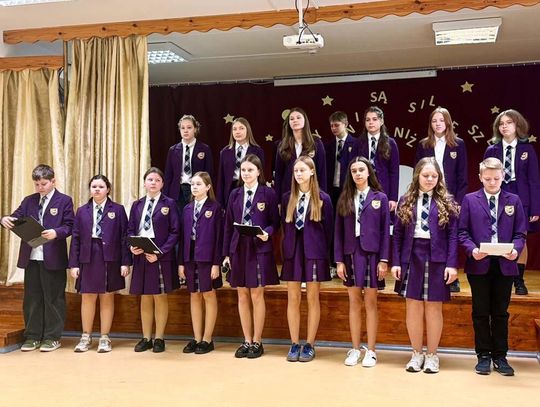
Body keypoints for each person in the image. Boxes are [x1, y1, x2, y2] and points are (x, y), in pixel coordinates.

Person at [458, 157, 526, 376]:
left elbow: (520, 233)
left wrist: (515, 250)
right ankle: (483, 356)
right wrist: (472, 250)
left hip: (505, 265)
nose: (492, 182)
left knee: (500, 312)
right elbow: (462, 232)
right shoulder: (470, 200)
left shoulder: (513, 200)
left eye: (496, 178)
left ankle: (500, 356)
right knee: (480, 311)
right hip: (479, 264)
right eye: (487, 179)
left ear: (503, 176)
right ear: (480, 177)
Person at [391, 157, 459, 373]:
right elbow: (397, 235)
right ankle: (416, 354)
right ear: (417, 176)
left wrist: (452, 264)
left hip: (437, 257)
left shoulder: (447, 202)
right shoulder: (405, 200)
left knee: (433, 307)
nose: (430, 179)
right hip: (411, 255)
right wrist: (396, 262)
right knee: (413, 305)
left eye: (434, 176)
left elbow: (453, 236)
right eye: (425, 175)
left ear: (439, 178)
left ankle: (432, 355)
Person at [1, 164, 74, 352]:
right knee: (32, 298)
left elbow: (69, 226)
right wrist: (5, 219)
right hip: (31, 256)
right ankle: (33, 336)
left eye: (43, 184)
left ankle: (52, 337)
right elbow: (15, 217)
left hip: (53, 257)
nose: (40, 188)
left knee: (53, 298)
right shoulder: (29, 201)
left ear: (53, 181)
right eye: (37, 184)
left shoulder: (64, 201)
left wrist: (56, 232)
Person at [334, 157, 390, 367]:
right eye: (354, 170)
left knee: (371, 302)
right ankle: (355, 348)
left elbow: (385, 231)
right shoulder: (345, 197)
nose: (357, 173)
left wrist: (383, 259)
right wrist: (339, 260)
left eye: (361, 170)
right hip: (350, 253)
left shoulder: (380, 198)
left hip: (372, 254)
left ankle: (372, 350)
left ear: (369, 173)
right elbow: (338, 232)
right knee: (354, 302)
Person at [223, 154, 280, 358]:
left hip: (258, 248)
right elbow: (228, 226)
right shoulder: (235, 194)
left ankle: (257, 341)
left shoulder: (268, 193)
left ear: (258, 172)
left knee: (256, 295)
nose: (246, 173)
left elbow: (275, 222)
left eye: (250, 170)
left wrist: (267, 233)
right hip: (238, 248)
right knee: (242, 295)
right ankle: (246, 340)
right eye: (243, 170)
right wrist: (226, 254)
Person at [69, 175, 131, 353]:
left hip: (110, 258)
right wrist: (74, 264)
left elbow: (124, 237)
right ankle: (85, 336)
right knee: (87, 296)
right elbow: (76, 239)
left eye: (101, 186)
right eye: (94, 186)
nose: (97, 189)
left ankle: (104, 337)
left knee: (107, 296)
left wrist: (125, 262)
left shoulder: (117, 209)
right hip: (88, 257)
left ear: (108, 189)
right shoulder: (82, 210)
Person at [281, 156, 333, 362]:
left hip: (314, 252)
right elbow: (284, 226)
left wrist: (324, 254)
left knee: (312, 298)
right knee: (293, 298)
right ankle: (294, 343)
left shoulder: (323, 198)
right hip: (293, 251)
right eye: (296, 171)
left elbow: (329, 230)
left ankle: (310, 344)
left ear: (312, 171)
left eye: (302, 170)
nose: (298, 174)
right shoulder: (287, 197)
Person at [483, 109, 540, 295]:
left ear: (517, 125)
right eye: (501, 124)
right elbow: (486, 178)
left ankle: (519, 280)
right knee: (499, 235)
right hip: (498, 194)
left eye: (509, 122)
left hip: (522, 197)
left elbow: (534, 180)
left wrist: (535, 207)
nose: (504, 126)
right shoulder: (492, 149)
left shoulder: (527, 149)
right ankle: (499, 276)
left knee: (520, 238)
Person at [128, 167, 180, 353]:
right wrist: (132, 246)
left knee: (160, 296)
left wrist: (160, 252)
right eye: (150, 179)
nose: (153, 183)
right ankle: (146, 337)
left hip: (160, 255)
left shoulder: (169, 204)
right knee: (145, 296)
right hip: (141, 253)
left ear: (162, 184)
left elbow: (175, 232)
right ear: (144, 183)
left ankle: (159, 338)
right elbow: (130, 229)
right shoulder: (137, 204)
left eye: (157, 180)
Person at [416, 107, 468, 293]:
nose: (438, 124)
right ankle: (435, 273)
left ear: (448, 122)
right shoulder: (424, 144)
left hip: (450, 197)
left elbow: (462, 176)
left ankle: (453, 276)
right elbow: (417, 172)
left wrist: (459, 202)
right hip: (429, 195)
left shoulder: (458, 144)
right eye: (434, 121)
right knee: (434, 234)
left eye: (441, 120)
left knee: (451, 235)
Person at [178, 172, 223, 355]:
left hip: (207, 258)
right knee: (194, 295)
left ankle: (207, 338)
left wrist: (216, 263)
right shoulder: (187, 209)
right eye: (193, 184)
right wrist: (181, 263)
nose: (195, 187)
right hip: (190, 257)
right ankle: (196, 337)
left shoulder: (215, 208)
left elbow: (219, 238)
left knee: (208, 295)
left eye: (199, 184)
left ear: (208, 187)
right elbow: (182, 237)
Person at [164, 114, 214, 212]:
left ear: (195, 129)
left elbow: (209, 173)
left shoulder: (204, 149)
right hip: (178, 192)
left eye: (189, 127)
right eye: (182, 128)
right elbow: (168, 175)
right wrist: (165, 198)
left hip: (197, 191)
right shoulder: (173, 150)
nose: (185, 130)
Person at [274, 107, 327, 199]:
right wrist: (278, 199)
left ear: (305, 120)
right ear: (289, 123)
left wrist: (322, 197)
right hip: (288, 193)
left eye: (298, 117)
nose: (295, 120)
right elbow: (278, 174)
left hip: (311, 193)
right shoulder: (282, 145)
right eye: (292, 119)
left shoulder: (316, 143)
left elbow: (321, 172)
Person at [356, 106, 399, 213]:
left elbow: (394, 172)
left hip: (383, 188)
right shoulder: (358, 143)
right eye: (368, 120)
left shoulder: (390, 143)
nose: (371, 122)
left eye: (374, 119)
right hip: (362, 187)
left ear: (381, 121)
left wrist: (393, 198)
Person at [216, 117, 265, 208]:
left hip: (250, 187)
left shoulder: (257, 151)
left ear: (248, 130)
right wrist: (220, 203)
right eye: (234, 129)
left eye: (241, 128)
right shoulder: (225, 152)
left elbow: (261, 175)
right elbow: (221, 178)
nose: (237, 132)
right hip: (230, 189)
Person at [325, 111, 358, 210]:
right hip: (331, 189)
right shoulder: (328, 146)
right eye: (331, 126)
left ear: (346, 124)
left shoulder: (356, 144)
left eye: (337, 125)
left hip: (348, 189)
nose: (333, 128)